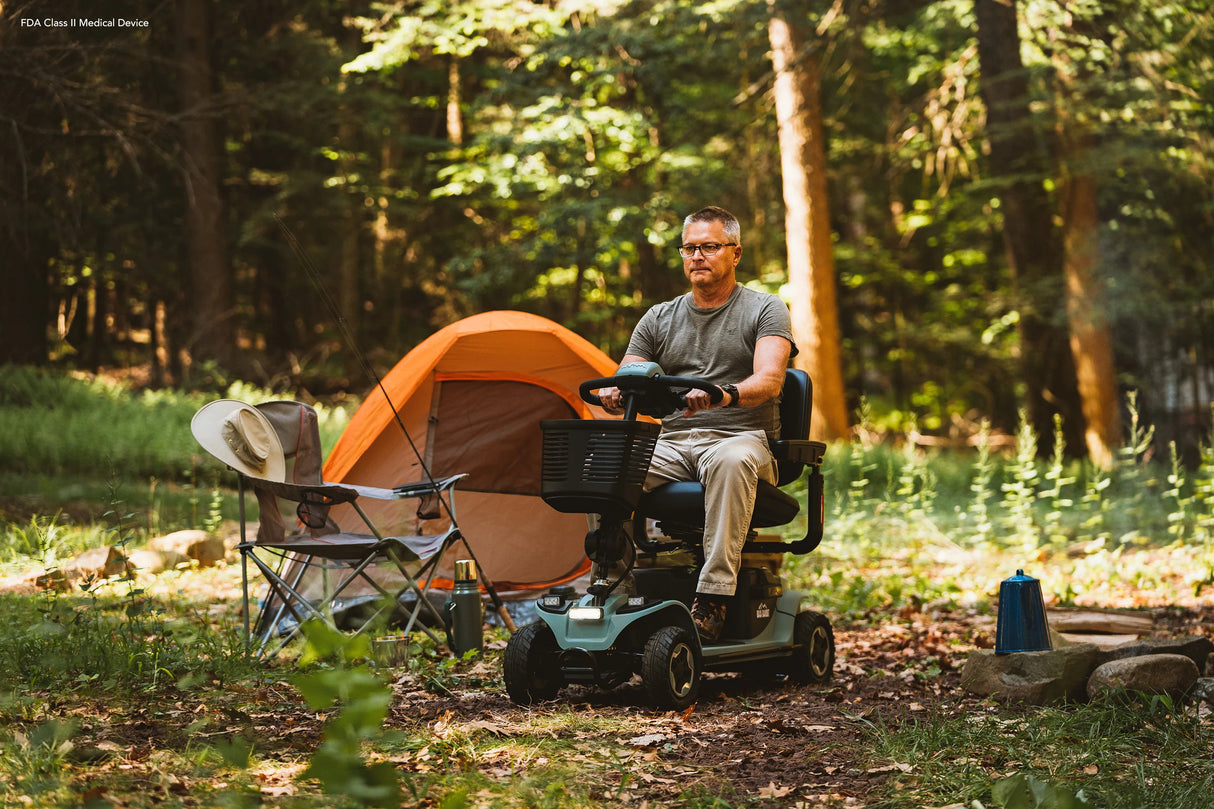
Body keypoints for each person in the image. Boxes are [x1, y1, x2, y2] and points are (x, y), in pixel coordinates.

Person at [600, 205, 797, 642]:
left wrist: (722, 393)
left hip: (742, 439)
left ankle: (713, 597)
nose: (697, 256)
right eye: (690, 248)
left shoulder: (765, 309)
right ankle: (611, 586)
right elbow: (628, 370)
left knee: (732, 460)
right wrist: (617, 390)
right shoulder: (659, 317)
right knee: (606, 466)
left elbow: (769, 379)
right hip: (674, 443)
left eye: (709, 246)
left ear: (735, 253)